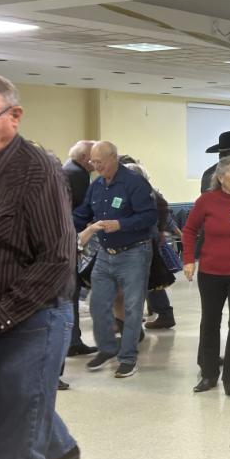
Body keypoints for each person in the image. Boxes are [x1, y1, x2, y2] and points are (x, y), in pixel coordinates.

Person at [0, 75, 79, 459]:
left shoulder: (37, 170)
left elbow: (57, 260)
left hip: (30, 323)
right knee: (2, 420)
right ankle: (58, 448)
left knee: (8, 449)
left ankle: (48, 447)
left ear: (15, 115)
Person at [73, 141, 157, 378]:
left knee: (132, 307)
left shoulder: (134, 183)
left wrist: (121, 224)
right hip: (105, 253)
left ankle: (128, 358)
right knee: (97, 305)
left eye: (99, 162)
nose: (95, 166)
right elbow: (83, 213)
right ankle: (108, 348)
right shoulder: (97, 185)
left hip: (134, 253)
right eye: (93, 162)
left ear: (113, 158)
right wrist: (63, 224)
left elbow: (150, 216)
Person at [182, 156, 230, 400]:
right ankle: (208, 374)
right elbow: (189, 230)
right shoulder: (206, 201)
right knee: (210, 322)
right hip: (211, 273)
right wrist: (188, 260)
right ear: (220, 177)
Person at [123, 162, 181, 330]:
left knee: (145, 279)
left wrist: (160, 229)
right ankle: (160, 313)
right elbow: (163, 208)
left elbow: (162, 208)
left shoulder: (140, 192)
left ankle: (159, 314)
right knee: (148, 279)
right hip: (146, 240)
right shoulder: (145, 191)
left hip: (142, 241)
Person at [62, 141, 98, 359]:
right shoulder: (77, 175)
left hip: (69, 238)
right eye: (94, 157)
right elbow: (86, 208)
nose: (96, 162)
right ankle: (72, 342)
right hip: (71, 240)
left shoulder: (70, 169)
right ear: (85, 157)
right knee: (71, 292)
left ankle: (73, 340)